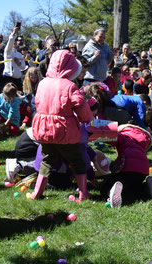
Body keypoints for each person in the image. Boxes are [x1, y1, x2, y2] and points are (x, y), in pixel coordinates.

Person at [31, 50, 94, 200]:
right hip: (63, 130)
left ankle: (37, 193)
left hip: (44, 128)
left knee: (47, 160)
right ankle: (83, 193)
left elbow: (38, 103)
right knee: (78, 161)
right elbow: (80, 106)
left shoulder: (42, 83)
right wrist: (87, 118)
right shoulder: (69, 86)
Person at [102, 124, 152, 207]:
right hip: (142, 171)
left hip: (126, 168)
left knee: (107, 186)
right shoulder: (142, 140)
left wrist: (97, 134)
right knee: (135, 187)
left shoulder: (124, 136)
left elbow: (112, 137)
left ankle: (111, 191)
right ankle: (147, 186)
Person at [2, 27, 25, 91]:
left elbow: (23, 67)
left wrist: (19, 63)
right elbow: (10, 43)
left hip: (18, 79)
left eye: (16, 41)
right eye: (13, 41)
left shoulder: (19, 54)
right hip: (8, 79)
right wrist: (14, 33)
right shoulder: (7, 51)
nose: (14, 42)